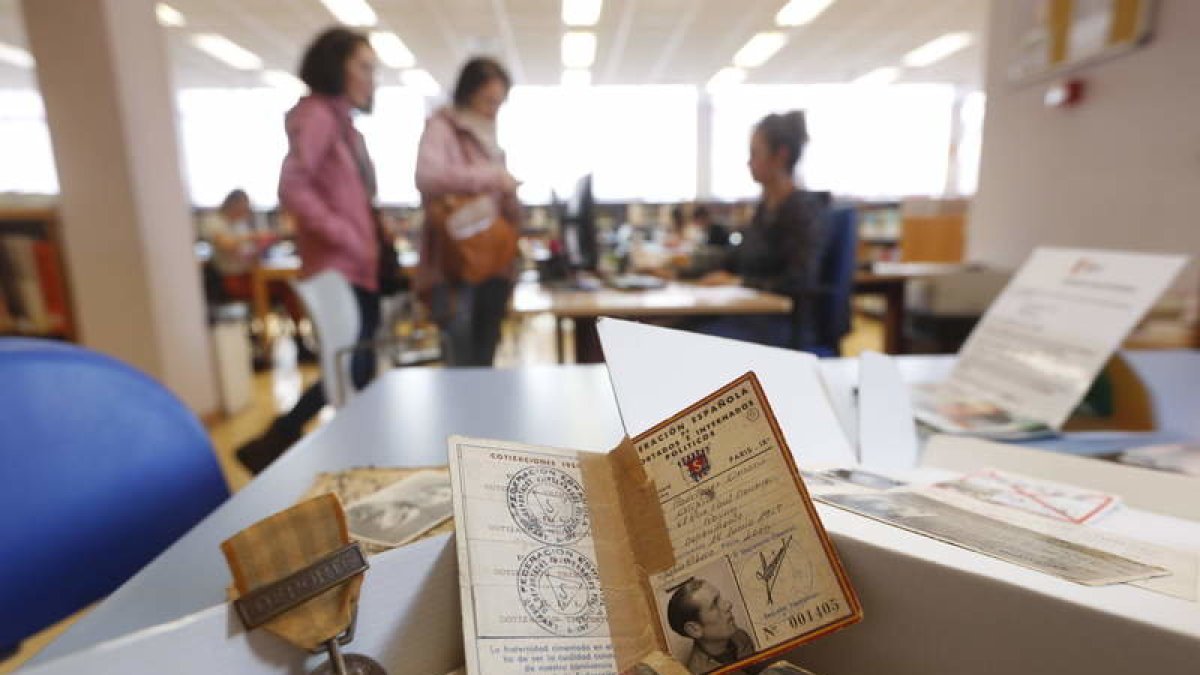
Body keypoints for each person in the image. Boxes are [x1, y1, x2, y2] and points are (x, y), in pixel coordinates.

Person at [235, 27, 381, 474]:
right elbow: (292, 186)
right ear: (336, 66)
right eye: (364, 67)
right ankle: (305, 445)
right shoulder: (317, 116)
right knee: (350, 371)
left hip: (357, 265)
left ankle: (284, 439)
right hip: (339, 266)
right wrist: (345, 234)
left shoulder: (343, 125)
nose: (371, 78)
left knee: (356, 367)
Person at [414, 57, 521, 367]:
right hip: (456, 267)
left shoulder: (490, 138)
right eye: (488, 101)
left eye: (499, 102)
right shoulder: (442, 128)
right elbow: (428, 176)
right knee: (461, 362)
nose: (493, 109)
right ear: (467, 94)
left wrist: (510, 195)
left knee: (484, 358)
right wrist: (492, 177)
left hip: (494, 264)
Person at [692, 111, 819, 349]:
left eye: (754, 153)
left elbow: (797, 281)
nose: (748, 162)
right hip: (752, 315)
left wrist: (739, 282)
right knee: (674, 326)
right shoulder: (764, 210)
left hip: (780, 325)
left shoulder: (801, 212)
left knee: (683, 338)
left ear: (780, 156)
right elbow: (734, 260)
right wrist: (682, 270)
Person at [667, 578, 758, 674]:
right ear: (694, 629)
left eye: (720, 599)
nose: (728, 605)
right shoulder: (699, 671)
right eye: (714, 604)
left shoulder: (740, 636)